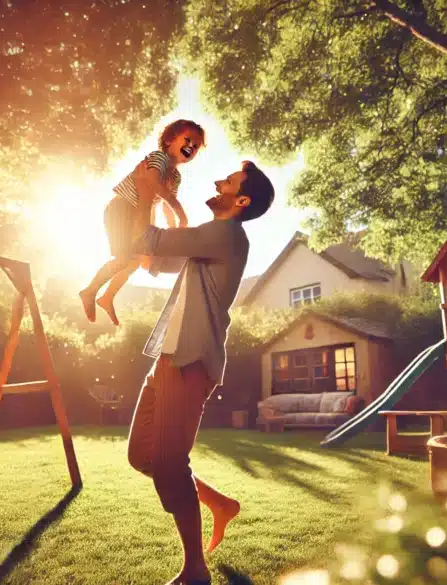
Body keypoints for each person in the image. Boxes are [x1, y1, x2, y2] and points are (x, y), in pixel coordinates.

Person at [126, 161, 274, 585]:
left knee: (170, 465)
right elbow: (152, 258)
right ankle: (220, 504)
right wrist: (152, 201)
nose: (216, 182)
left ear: (240, 200)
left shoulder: (226, 234)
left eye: (227, 181)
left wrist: (149, 191)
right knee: (142, 456)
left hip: (190, 361)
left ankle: (195, 570)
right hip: (169, 357)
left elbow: (149, 239)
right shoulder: (210, 240)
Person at [79, 119, 205, 326]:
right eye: (188, 140)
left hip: (137, 214)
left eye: (196, 146)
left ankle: (107, 296)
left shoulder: (175, 176)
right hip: (121, 209)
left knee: (135, 261)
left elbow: (163, 204)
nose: (191, 147)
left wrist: (176, 230)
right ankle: (89, 291)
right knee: (123, 258)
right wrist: (179, 209)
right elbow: (154, 183)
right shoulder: (158, 158)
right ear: (170, 139)